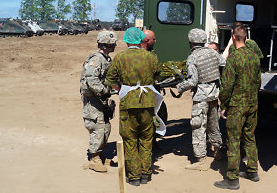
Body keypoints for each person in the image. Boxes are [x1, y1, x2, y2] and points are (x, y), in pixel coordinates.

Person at [105, 27, 162, 187]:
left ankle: (134, 176)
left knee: (130, 140)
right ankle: (145, 174)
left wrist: (121, 88)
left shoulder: (120, 57)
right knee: (146, 138)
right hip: (148, 102)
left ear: (127, 40)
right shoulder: (150, 57)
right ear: (141, 40)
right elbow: (158, 75)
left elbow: (110, 79)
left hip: (128, 103)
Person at [214, 26, 261, 190]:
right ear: (245, 37)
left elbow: (226, 86)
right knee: (250, 137)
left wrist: (223, 104)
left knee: (233, 141)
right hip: (252, 105)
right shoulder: (255, 57)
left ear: (233, 37)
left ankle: (232, 179)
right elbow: (258, 82)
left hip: (237, 106)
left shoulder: (233, 58)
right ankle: (252, 172)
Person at [176, 28, 226, 171]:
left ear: (191, 41)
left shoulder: (193, 57)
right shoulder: (213, 53)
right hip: (214, 96)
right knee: (214, 125)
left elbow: (192, 81)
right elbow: (224, 65)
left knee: (198, 126)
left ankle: (201, 160)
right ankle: (218, 153)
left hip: (201, 98)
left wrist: (180, 87)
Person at [80, 30, 118, 173]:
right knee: (97, 127)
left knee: (105, 128)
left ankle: (100, 155)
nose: (115, 45)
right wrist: (105, 91)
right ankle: (94, 159)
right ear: (107, 44)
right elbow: (91, 79)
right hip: (93, 100)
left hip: (101, 100)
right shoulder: (95, 59)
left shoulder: (106, 59)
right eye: (113, 43)